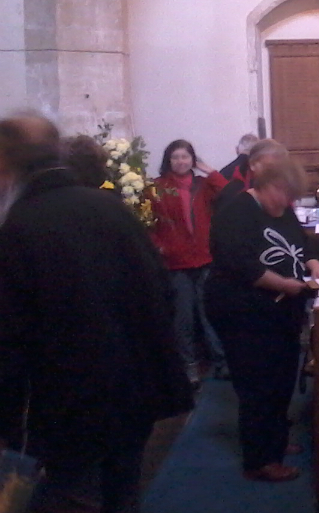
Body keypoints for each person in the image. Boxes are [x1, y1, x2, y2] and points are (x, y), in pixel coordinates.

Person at [0, 114, 193, 513]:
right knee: (123, 495)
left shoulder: (20, 225)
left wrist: (9, 426)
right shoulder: (111, 208)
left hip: (67, 404)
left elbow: (10, 337)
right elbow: (161, 291)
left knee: (74, 498)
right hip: (132, 390)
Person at [205, 157, 319, 482]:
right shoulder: (236, 211)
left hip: (280, 310)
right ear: (270, 186)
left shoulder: (281, 208)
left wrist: (313, 262)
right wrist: (286, 285)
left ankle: (274, 439)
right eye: (285, 194)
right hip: (243, 311)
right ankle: (259, 460)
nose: (288, 203)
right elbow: (241, 264)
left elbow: (300, 244)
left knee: (282, 377)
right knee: (258, 382)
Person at [151, 139, 230, 386]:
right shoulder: (156, 187)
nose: (181, 162)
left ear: (192, 160)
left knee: (209, 313)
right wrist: (158, 246)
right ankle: (189, 366)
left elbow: (229, 191)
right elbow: (148, 221)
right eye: (176, 157)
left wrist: (210, 171)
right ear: (168, 160)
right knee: (183, 317)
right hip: (176, 262)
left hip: (204, 258)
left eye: (185, 157)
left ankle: (221, 362)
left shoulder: (202, 185)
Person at [215, 137, 287, 212]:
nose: (274, 171)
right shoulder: (234, 191)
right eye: (268, 166)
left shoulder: (281, 189)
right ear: (252, 164)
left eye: (278, 167)